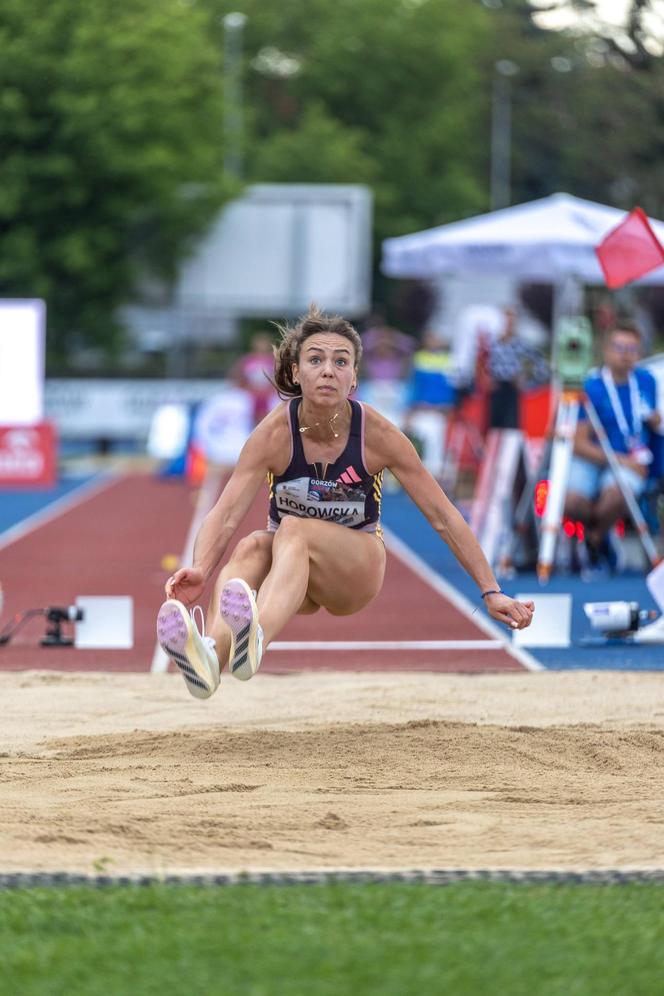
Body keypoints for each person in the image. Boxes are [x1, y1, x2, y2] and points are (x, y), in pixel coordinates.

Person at [156, 306, 534, 700]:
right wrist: (200, 568)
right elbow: (227, 511)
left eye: (341, 362)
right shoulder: (273, 434)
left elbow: (442, 516)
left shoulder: (378, 435)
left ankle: (255, 638)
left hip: (356, 571)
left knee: (293, 528)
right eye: (316, 360)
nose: (328, 370)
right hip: (291, 579)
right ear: (296, 372)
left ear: (354, 377)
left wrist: (491, 591)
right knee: (252, 545)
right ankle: (209, 660)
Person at [564, 321, 661, 570]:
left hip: (633, 459)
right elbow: (578, 443)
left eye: (632, 348)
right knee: (571, 502)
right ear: (606, 350)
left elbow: (654, 417)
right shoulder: (591, 385)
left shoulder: (646, 380)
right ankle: (602, 533)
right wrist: (621, 460)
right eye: (619, 347)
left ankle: (595, 540)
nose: (625, 354)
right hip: (595, 459)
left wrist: (654, 419)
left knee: (618, 494)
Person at [486, 307, 550, 430]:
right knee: (490, 429)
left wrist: (528, 383)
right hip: (493, 391)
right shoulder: (489, 344)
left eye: (511, 323)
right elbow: (478, 366)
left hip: (512, 389)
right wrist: (486, 380)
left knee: (511, 430)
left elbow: (542, 367)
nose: (508, 326)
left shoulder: (521, 344)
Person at [231, 332, 280, 425]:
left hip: (268, 394)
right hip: (250, 393)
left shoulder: (273, 360)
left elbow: (279, 379)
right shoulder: (247, 360)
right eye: (259, 343)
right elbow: (237, 376)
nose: (261, 346)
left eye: (264, 343)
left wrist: (271, 390)